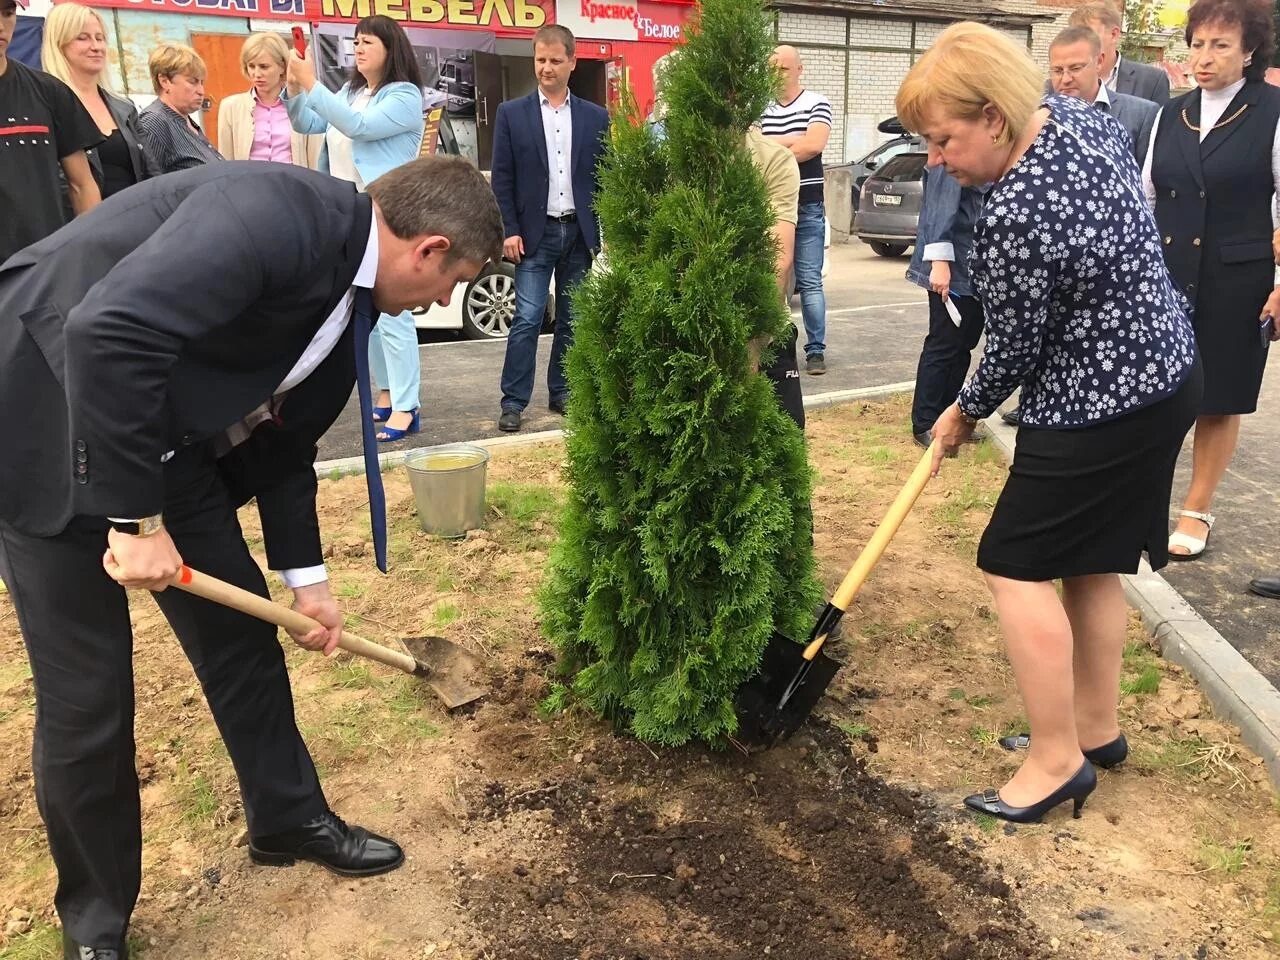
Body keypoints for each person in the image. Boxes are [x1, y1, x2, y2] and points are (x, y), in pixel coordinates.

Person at [0, 155, 503, 960]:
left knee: (243, 646)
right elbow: (109, 328)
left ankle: (285, 818)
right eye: (453, 283)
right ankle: (94, 925)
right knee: (89, 700)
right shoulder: (275, 214)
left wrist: (310, 586)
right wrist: (133, 519)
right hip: (43, 415)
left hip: (166, 444)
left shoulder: (351, 301)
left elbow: (283, 445)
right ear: (429, 249)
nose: (444, 301)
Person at [898, 22, 1201, 824]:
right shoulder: (1078, 117)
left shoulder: (1016, 214)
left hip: (1104, 399)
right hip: (1165, 373)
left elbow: (1013, 353)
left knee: (1013, 560)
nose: (936, 159)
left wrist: (959, 413)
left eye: (943, 140)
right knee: (1093, 558)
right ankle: (1094, 729)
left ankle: (1056, 759)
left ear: (993, 118)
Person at [1142, 0, 1280, 560]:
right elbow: (1147, 198)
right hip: (1169, 276)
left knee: (1217, 399)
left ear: (1249, 51)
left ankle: (1195, 510)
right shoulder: (1169, 114)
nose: (1204, 56)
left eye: (1220, 45)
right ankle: (1142, 501)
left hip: (1237, 278)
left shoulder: (1272, 110)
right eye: (1198, 43)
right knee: (1158, 390)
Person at [285, 15, 425, 442]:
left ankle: (407, 404)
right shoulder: (349, 91)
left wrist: (311, 84)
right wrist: (294, 87)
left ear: (390, 48)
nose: (359, 49)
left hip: (390, 215)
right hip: (350, 211)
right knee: (364, 309)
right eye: (356, 42)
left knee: (395, 312)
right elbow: (308, 123)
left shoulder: (404, 96)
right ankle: (384, 392)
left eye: (368, 42)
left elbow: (359, 127)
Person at [491, 24, 609, 433]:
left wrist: (605, 232)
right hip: (534, 235)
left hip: (578, 233)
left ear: (572, 63)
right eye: (540, 60)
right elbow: (502, 180)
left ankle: (562, 393)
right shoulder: (511, 114)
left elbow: (603, 177)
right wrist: (508, 229)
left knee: (573, 319)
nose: (546, 67)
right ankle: (513, 401)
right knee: (526, 317)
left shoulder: (597, 117)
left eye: (555, 60)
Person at [0, 0, 101, 265]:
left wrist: (89, 256)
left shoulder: (49, 92)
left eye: (8, 13)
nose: (1, 25)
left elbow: (82, 185)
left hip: (40, 272)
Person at [762, 45, 832, 376]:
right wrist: (793, 143)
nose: (778, 74)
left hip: (807, 204)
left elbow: (814, 144)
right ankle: (773, 344)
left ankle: (815, 351)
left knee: (809, 280)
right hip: (771, 205)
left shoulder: (817, 102)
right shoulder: (761, 109)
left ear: (799, 70)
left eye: (784, 69)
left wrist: (771, 150)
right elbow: (752, 148)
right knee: (774, 277)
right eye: (772, 68)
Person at [906, 162, 987, 447]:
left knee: (963, 344)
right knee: (944, 343)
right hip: (951, 268)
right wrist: (939, 264)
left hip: (975, 266)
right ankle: (925, 422)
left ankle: (950, 417)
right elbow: (940, 209)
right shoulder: (953, 151)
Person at [40, 2, 154, 201]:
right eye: (83, 38)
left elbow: (152, 171)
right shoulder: (44, 106)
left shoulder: (124, 108)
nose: (96, 46)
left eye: (100, 38)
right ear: (59, 44)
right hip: (81, 225)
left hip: (137, 220)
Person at [1049, 25, 1158, 164]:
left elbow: (1147, 180)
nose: (1065, 79)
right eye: (1057, 71)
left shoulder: (1141, 115)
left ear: (1099, 62)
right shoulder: (1038, 116)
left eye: (1075, 68)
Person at [217, 31, 321, 168]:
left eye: (264, 66)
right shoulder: (230, 107)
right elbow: (225, 163)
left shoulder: (305, 104)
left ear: (282, 67)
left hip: (291, 186)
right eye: (251, 66)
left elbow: (315, 161)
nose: (257, 74)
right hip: (249, 186)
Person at [136, 42, 223, 174]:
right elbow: (149, 184)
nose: (201, 91)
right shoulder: (155, 122)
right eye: (192, 82)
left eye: (201, 82)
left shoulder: (186, 122)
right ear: (164, 81)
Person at [1069, 1, 1171, 103]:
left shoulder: (1151, 80)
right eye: (1075, 36)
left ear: (1114, 34)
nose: (1080, 43)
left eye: (1088, 35)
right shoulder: (1062, 82)